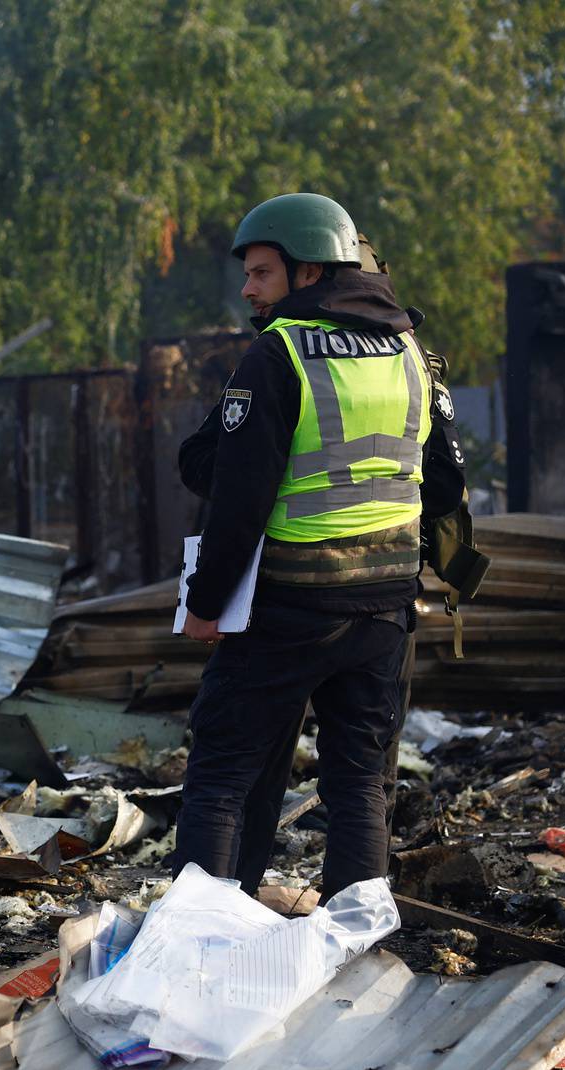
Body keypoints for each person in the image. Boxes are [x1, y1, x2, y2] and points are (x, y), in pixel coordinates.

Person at [171, 193, 470, 899]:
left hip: (289, 607)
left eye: (262, 273)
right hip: (386, 611)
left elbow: (238, 507)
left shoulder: (278, 354)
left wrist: (206, 603)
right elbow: (449, 486)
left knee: (221, 774)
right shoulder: (410, 353)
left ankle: (193, 946)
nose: (247, 288)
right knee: (363, 784)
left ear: (310, 273)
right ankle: (354, 948)